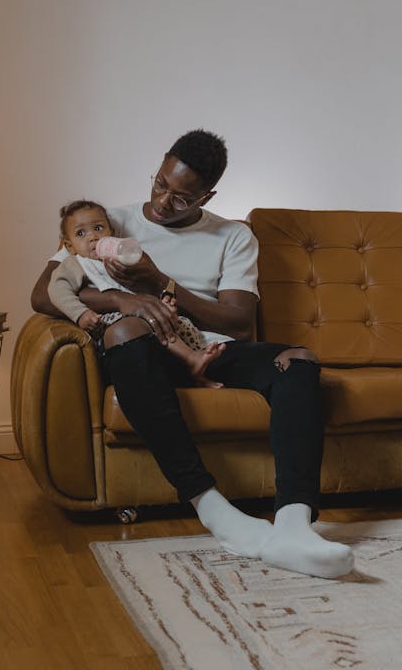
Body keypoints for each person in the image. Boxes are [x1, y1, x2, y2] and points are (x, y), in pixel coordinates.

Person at [31, 129, 354, 579]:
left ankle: (293, 526)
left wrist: (160, 283)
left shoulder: (232, 236)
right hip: (142, 353)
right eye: (160, 184)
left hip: (211, 348)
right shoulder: (105, 223)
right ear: (159, 167)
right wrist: (125, 301)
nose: (164, 202)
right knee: (125, 334)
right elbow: (44, 293)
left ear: (208, 194)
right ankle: (215, 512)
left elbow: (238, 322)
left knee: (297, 361)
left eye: (182, 198)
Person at [50, 198, 226, 386]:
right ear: (69, 246)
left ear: (112, 232)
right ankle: (192, 359)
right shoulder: (77, 264)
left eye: (99, 228)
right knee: (150, 324)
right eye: (81, 233)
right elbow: (57, 289)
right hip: (111, 324)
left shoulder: (121, 259)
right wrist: (80, 313)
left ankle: (195, 371)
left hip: (142, 316)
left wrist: (163, 302)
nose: (93, 237)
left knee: (176, 322)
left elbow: (140, 292)